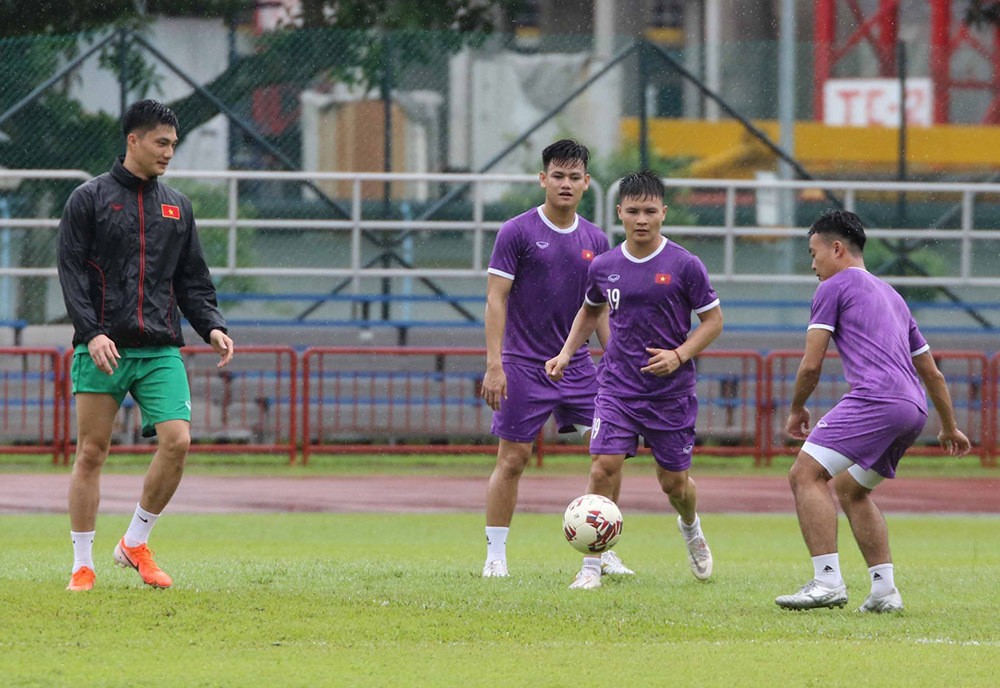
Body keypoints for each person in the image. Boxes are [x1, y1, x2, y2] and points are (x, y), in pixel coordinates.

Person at [58, 100, 234, 591]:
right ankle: (82, 564)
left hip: (159, 349)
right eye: (161, 143)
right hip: (103, 348)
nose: (169, 153)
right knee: (92, 453)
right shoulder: (88, 199)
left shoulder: (177, 205)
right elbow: (70, 276)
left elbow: (192, 280)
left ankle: (134, 542)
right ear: (132, 140)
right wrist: (92, 332)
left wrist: (211, 325)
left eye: (173, 145)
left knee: (177, 441)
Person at [776, 210, 970, 612]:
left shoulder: (832, 287)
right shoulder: (893, 296)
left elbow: (811, 364)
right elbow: (931, 372)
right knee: (851, 489)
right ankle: (884, 591)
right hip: (913, 408)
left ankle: (826, 581)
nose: (812, 264)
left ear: (836, 248)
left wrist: (796, 409)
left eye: (813, 254)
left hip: (877, 399)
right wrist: (949, 427)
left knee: (804, 474)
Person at [546, 170, 723, 590]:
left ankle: (691, 526)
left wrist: (680, 355)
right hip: (617, 388)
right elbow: (590, 311)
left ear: (663, 213)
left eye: (649, 211)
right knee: (603, 466)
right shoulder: (605, 266)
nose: (641, 219)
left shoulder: (685, 265)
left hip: (670, 394)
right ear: (620, 213)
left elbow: (713, 321)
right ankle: (591, 566)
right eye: (632, 211)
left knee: (674, 484)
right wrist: (567, 352)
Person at [481, 139, 632, 578]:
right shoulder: (517, 232)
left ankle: (602, 551)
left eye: (574, 177)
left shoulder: (596, 238)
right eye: (558, 176)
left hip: (579, 367)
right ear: (543, 179)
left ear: (587, 183)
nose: (566, 184)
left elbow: (598, 307)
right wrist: (495, 364)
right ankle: (495, 556)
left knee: (611, 452)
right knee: (512, 459)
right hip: (523, 365)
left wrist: (616, 360)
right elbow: (496, 299)